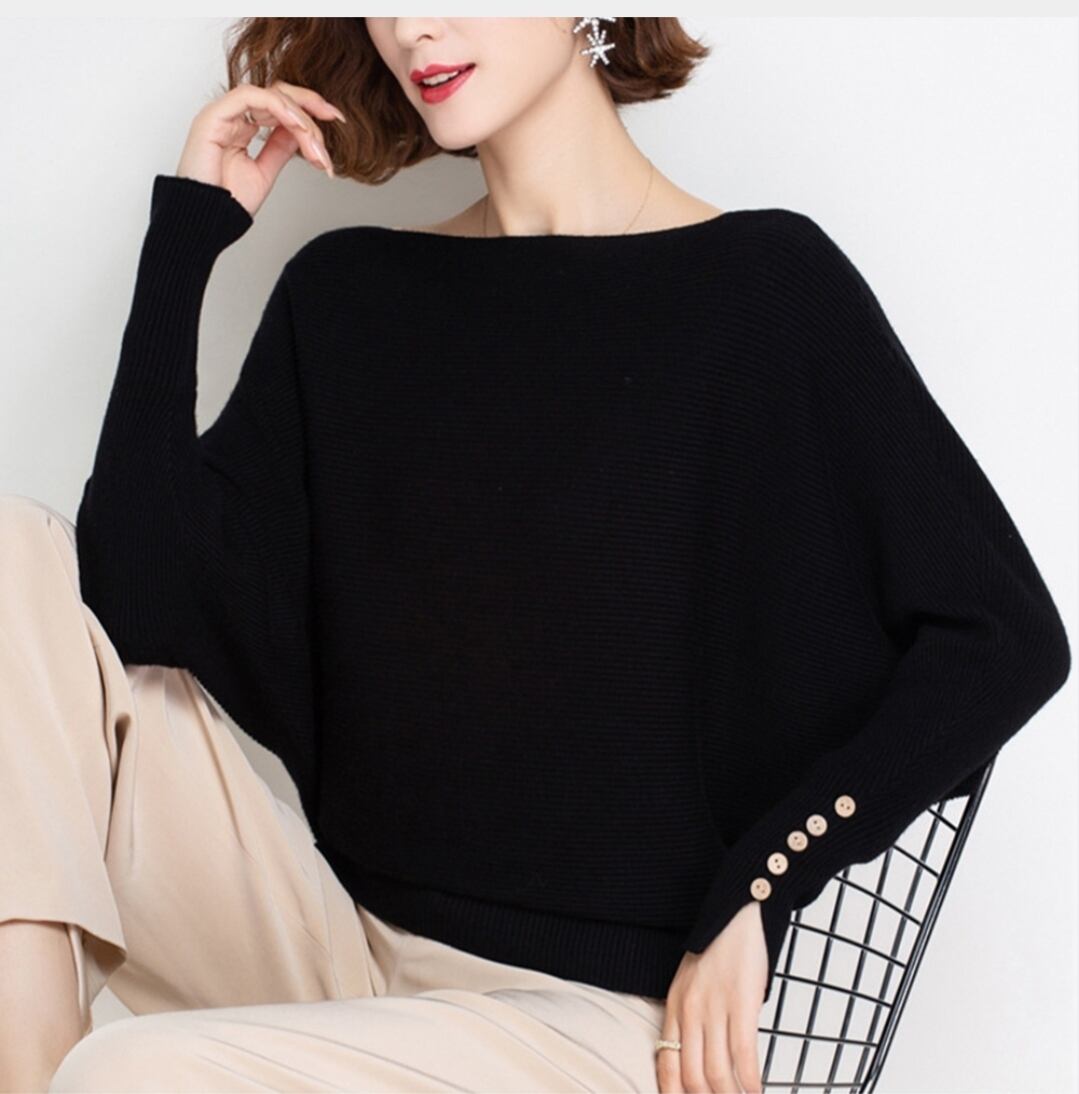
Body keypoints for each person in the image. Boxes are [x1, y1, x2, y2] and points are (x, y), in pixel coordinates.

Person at [0, 16, 1070, 1094]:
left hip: (585, 1030)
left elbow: (1001, 636)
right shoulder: (349, 295)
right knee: (10, 554)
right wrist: (186, 234)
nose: (414, 25)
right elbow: (126, 604)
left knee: (131, 1075)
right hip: (342, 963)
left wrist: (762, 882)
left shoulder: (762, 290)